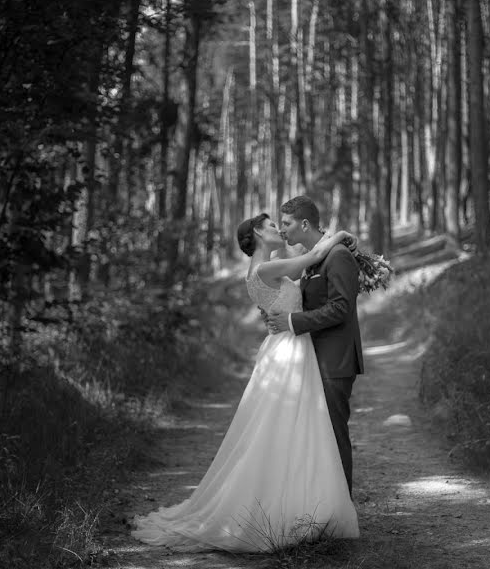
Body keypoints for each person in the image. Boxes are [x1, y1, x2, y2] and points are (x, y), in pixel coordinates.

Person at [130, 213, 359, 553]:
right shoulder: (265, 269)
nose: (278, 230)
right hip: (288, 350)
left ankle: (308, 501)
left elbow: (301, 274)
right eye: (271, 226)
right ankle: (292, 505)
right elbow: (311, 259)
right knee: (285, 426)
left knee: (294, 426)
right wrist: (340, 233)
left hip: (287, 346)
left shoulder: (269, 266)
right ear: (256, 233)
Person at [266, 195, 365, 496]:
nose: (282, 230)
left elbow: (340, 308)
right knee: (318, 437)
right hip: (314, 359)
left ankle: (342, 510)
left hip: (334, 361)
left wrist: (293, 322)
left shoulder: (337, 256)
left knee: (334, 436)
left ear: (304, 223)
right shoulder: (314, 258)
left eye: (286, 223)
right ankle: (323, 506)